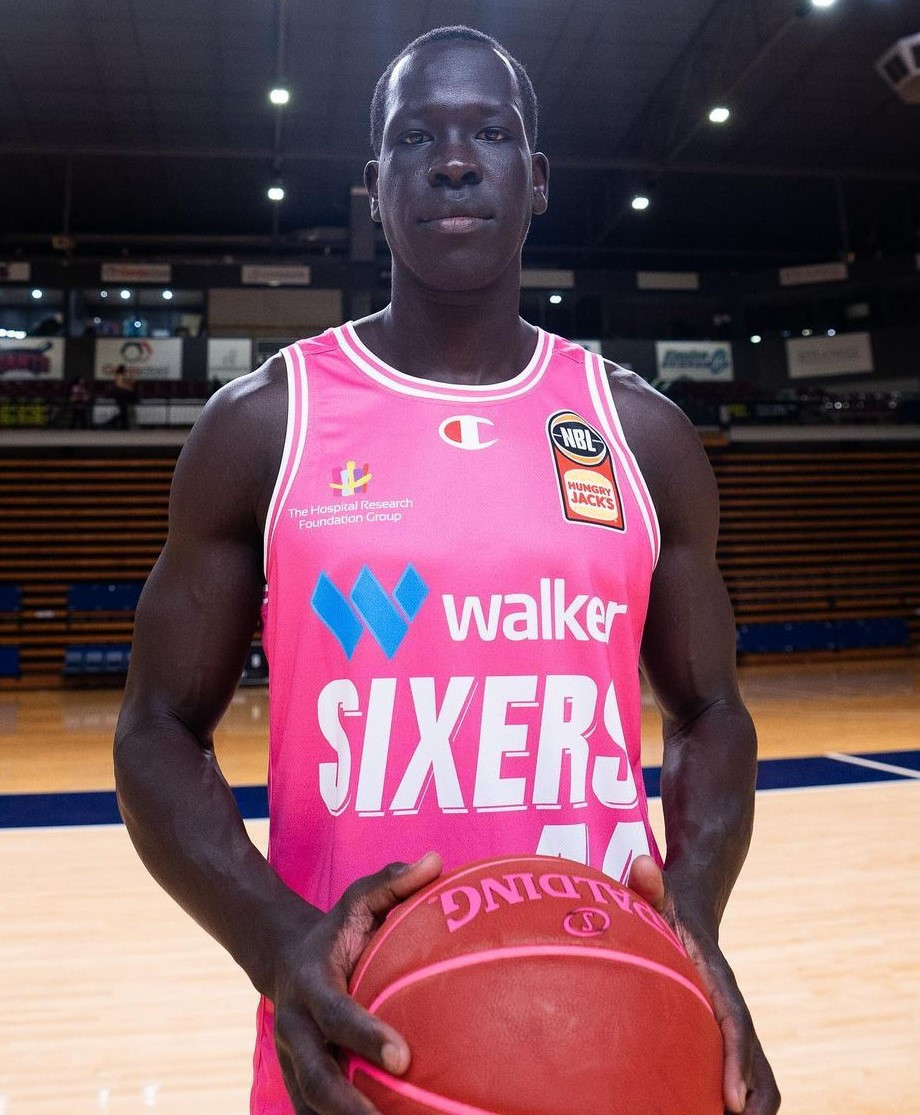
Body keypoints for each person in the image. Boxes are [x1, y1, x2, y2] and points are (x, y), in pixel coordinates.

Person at [114, 25, 780, 1115]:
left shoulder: (639, 434)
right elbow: (154, 728)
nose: (455, 160)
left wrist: (695, 917)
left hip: (612, 1022)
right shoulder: (266, 424)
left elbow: (710, 709)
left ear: (538, 178)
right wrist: (276, 939)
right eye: (416, 137)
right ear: (373, 186)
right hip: (351, 1038)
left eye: (490, 134)